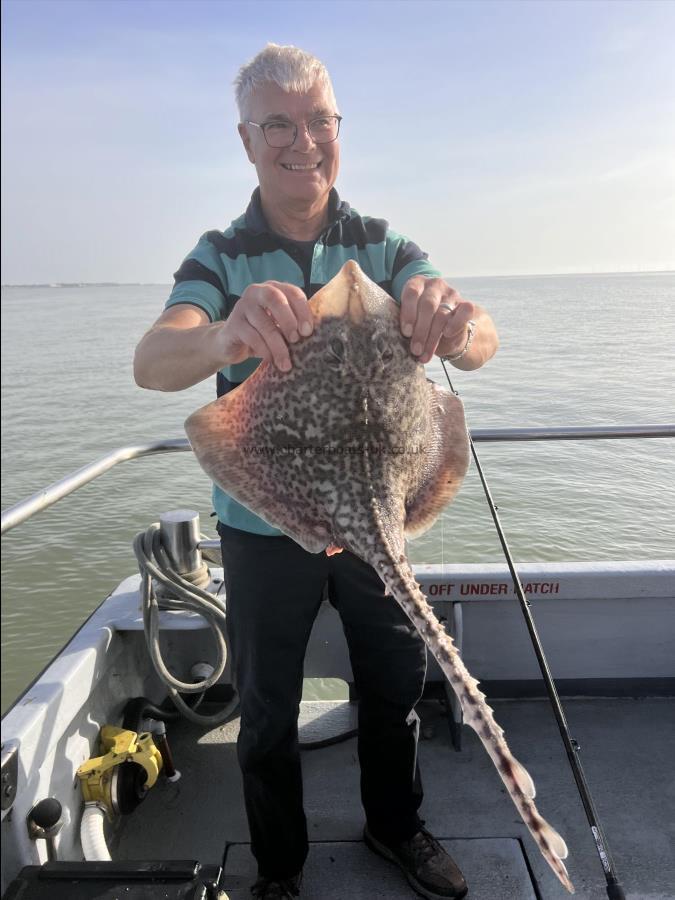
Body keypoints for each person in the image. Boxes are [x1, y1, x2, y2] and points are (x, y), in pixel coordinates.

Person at [134, 43, 498, 900]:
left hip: (382, 508)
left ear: (339, 130)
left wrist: (454, 323)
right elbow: (154, 361)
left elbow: (480, 340)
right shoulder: (220, 256)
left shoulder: (381, 243)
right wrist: (225, 332)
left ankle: (394, 825)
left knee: (396, 681)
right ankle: (281, 867)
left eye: (319, 121)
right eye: (278, 124)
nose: (303, 141)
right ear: (246, 139)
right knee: (266, 705)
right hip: (265, 523)